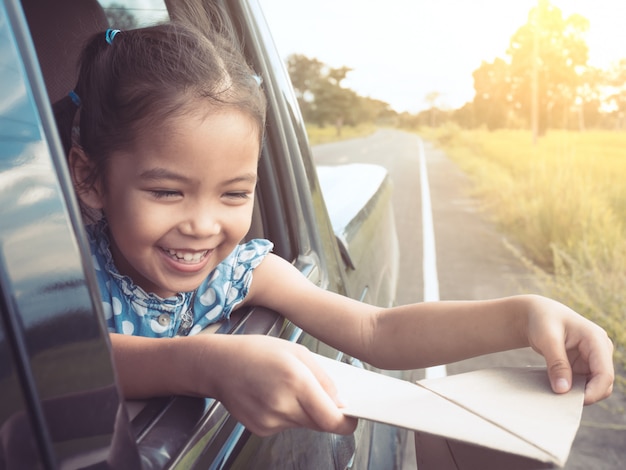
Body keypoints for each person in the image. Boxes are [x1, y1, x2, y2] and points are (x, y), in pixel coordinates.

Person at [56, 22, 614, 438]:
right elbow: (56, 365)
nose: (204, 225)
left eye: (235, 194)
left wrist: (522, 316)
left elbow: (376, 332)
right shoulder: (58, 284)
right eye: (167, 192)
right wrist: (204, 362)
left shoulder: (239, 275)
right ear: (90, 178)